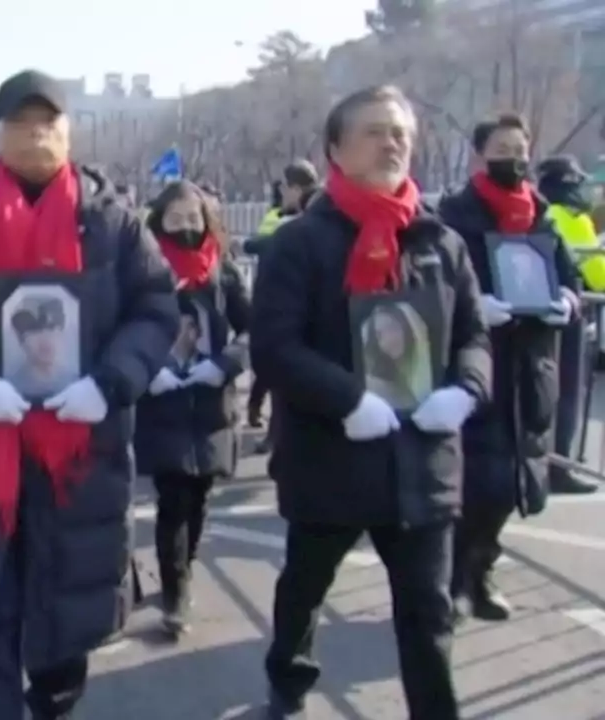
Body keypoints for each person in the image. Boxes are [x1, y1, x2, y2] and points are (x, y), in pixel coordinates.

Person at [0, 69, 179, 720]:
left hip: (79, 458)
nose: (36, 135)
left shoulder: (112, 224)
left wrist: (109, 384)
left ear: (69, 132)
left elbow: (156, 309)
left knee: (63, 638)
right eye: (21, 123)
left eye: (48, 122)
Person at [251, 85, 491, 720]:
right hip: (333, 457)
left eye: (402, 135)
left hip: (423, 462)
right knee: (305, 587)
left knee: (428, 611)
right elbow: (274, 345)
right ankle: (289, 680)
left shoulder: (440, 242)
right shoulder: (300, 243)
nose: (393, 144)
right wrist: (347, 398)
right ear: (335, 148)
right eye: (375, 132)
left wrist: (465, 392)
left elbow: (474, 336)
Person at [438, 114, 579, 625]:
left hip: (530, 367)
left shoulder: (540, 215)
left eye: (521, 148)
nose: (514, 158)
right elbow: (437, 283)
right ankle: (452, 579)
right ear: (480, 154)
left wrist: (566, 299)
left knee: (515, 483)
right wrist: (478, 308)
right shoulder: (454, 215)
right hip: (478, 363)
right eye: (502, 148)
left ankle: (480, 571)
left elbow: (569, 274)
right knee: (478, 478)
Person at [134, 179, 251, 636]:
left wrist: (224, 365)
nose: (186, 227)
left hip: (209, 401)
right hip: (162, 401)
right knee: (173, 499)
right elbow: (126, 327)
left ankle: (186, 564)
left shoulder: (223, 273)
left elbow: (251, 330)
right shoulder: (144, 269)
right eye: (175, 219)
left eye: (193, 218)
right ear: (159, 221)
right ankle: (175, 587)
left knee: (200, 494)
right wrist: (147, 370)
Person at [538, 155, 602, 495]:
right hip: (569, 314)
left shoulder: (540, 211)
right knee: (567, 392)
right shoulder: (572, 219)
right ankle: (559, 465)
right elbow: (598, 274)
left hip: (541, 316)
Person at [244, 160, 320, 430]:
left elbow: (268, 243)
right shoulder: (282, 214)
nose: (282, 193)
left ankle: (277, 431)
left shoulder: (309, 215)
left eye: (285, 187)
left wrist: (247, 244)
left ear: (297, 188)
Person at [360, 302, 433, 410]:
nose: (387, 340)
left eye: (392, 328)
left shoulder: (429, 366)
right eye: (379, 335)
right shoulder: (376, 383)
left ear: (408, 328)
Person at [5, 294, 75, 399]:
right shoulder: (8, 387)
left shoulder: (75, 384)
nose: (45, 338)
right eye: (34, 330)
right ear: (21, 340)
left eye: (51, 328)